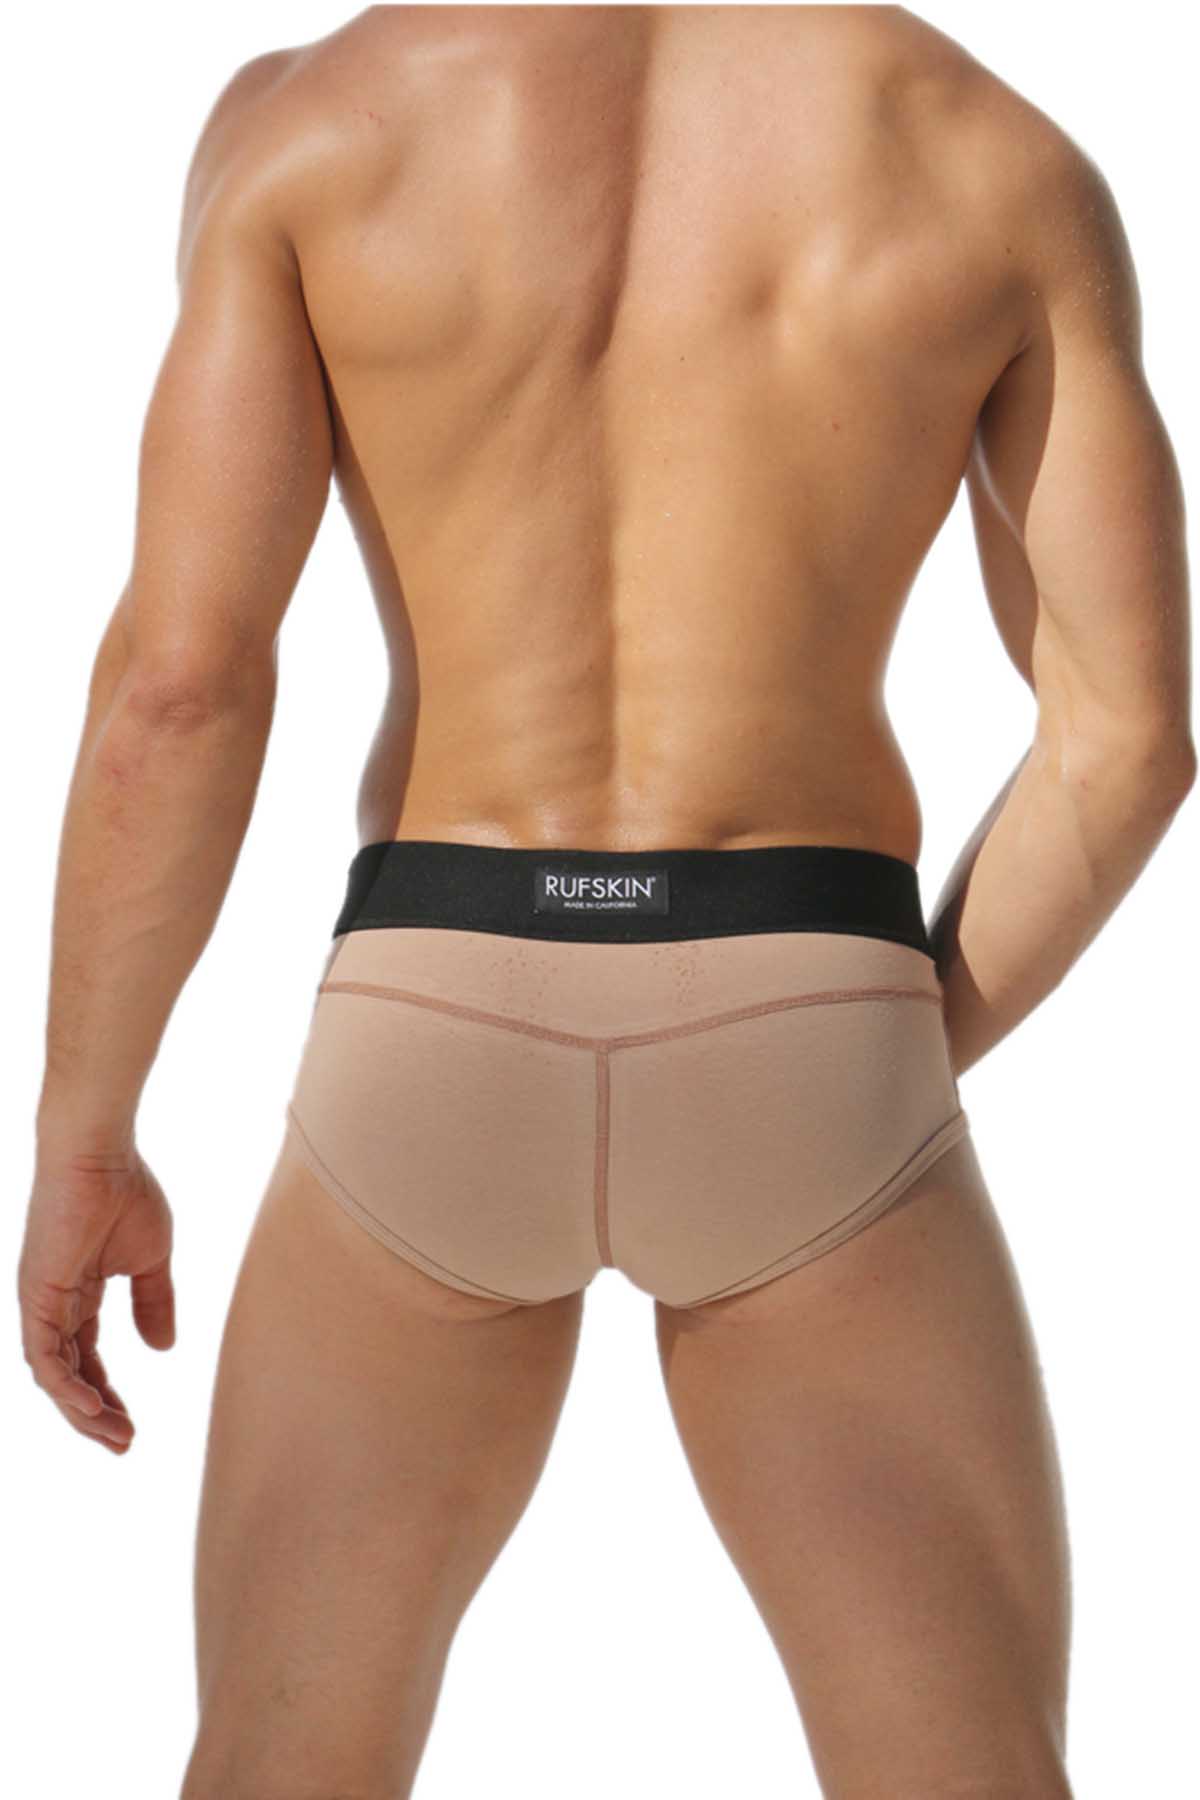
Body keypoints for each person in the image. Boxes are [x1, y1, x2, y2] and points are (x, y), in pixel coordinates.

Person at [18, 7, 1193, 1797]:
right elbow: (1129, 739)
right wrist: (860, 1051)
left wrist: (84, 1138)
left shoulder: (310, 131)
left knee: (279, 1763)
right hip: (808, 990)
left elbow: (178, 692)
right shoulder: (990, 154)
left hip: (432, 1018)